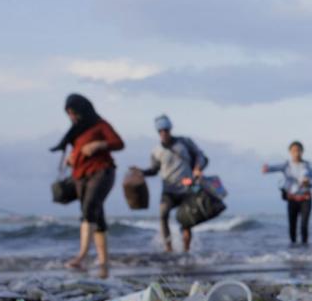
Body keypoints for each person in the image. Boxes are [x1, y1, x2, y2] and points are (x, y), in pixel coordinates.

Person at [51, 93, 124, 278]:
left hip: (102, 171)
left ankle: (81, 256)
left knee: (89, 207)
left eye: (73, 112)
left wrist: (99, 144)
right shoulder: (75, 130)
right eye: (68, 113)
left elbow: (119, 143)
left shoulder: (100, 124)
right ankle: (103, 260)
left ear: (82, 109)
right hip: (80, 176)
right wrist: (71, 158)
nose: (71, 116)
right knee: (96, 215)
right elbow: (76, 151)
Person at [134, 115, 208, 253]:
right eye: (161, 131)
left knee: (187, 220)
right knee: (163, 214)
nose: (164, 133)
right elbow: (154, 170)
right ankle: (169, 249)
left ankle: (186, 250)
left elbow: (200, 156)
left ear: (170, 129)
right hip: (168, 190)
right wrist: (142, 172)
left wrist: (198, 168)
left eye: (166, 130)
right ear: (158, 132)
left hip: (187, 186)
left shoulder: (184, 142)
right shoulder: (156, 151)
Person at [262, 141, 312, 246]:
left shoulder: (308, 165)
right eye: (294, 150)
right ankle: (293, 248)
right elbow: (273, 168)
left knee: (304, 226)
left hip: (306, 198)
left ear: (302, 151)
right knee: (292, 225)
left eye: (298, 150)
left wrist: (308, 182)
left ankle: (305, 248)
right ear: (290, 152)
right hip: (292, 199)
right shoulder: (286, 165)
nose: (296, 152)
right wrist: (266, 169)